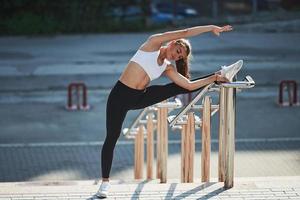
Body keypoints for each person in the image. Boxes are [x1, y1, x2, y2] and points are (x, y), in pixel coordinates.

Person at [96, 24, 240, 198]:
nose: (176, 55)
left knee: (179, 87)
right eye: (178, 50)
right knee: (112, 137)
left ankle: (220, 74)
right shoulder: (152, 44)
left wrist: (214, 78)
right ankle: (104, 183)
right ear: (173, 42)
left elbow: (189, 85)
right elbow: (186, 32)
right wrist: (211, 28)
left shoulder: (167, 67)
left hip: (140, 97)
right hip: (119, 96)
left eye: (179, 56)